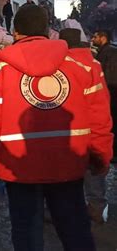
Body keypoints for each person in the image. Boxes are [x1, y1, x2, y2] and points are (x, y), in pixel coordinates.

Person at [0, 6, 113, 250]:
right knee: (76, 231)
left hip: (18, 168)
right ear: (48, 30)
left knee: (27, 234)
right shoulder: (82, 67)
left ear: (15, 32)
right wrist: (101, 155)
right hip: (68, 163)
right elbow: (99, 118)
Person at [60, 28, 113, 224]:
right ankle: (96, 208)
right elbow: (100, 106)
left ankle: (66, 210)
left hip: (66, 133)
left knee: (68, 177)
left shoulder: (56, 64)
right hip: (91, 129)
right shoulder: (93, 64)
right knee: (94, 169)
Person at [91, 30, 117, 161]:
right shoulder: (104, 52)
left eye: (95, 37)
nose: (92, 39)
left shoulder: (110, 52)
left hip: (112, 94)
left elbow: (110, 76)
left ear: (103, 38)